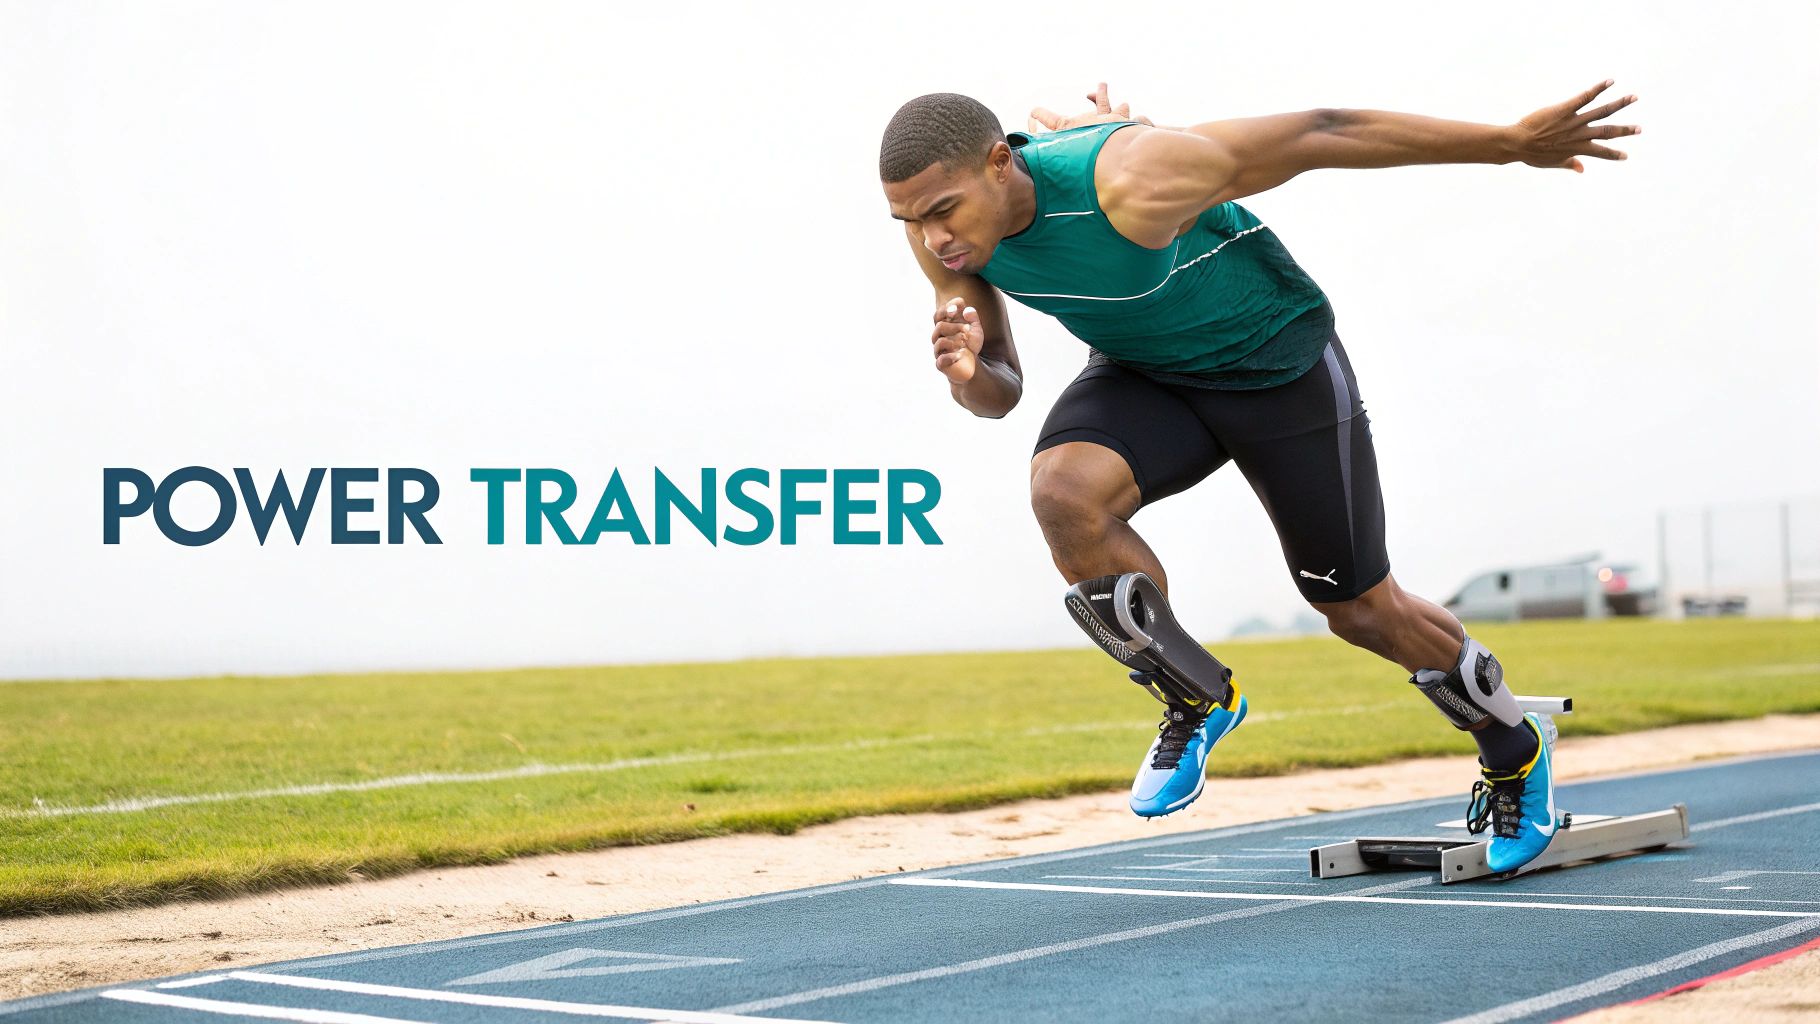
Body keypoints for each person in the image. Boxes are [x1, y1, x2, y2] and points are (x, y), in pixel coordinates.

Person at [876, 81, 1640, 874]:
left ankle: (1513, 747)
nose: (933, 239)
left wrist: (1511, 140)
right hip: (1148, 371)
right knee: (1062, 494)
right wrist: (966, 373)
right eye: (911, 221)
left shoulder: (1133, 178)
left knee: (1360, 611)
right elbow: (998, 392)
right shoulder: (942, 233)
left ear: (1000, 163)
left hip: (1275, 365)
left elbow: (1323, 130)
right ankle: (1197, 696)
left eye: (942, 211)